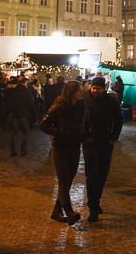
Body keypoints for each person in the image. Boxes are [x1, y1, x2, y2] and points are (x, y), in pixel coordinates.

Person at [41, 79, 89, 225]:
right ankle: (69, 211)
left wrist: (84, 133)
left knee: (68, 180)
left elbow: (85, 122)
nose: (81, 92)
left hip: (74, 146)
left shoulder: (81, 106)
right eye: (79, 90)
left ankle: (56, 211)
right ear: (72, 92)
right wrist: (58, 133)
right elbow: (44, 124)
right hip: (61, 147)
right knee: (63, 179)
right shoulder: (60, 105)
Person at [83, 75, 123, 222]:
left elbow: (118, 120)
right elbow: (80, 120)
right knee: (92, 175)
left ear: (103, 89)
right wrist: (85, 136)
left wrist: (113, 137)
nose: (95, 91)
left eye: (98, 89)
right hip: (89, 143)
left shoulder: (111, 101)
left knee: (102, 174)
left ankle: (96, 200)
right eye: (93, 88)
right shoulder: (84, 100)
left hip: (105, 142)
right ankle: (93, 206)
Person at [4, 76, 35, 157]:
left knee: (15, 133)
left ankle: (13, 151)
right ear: (25, 83)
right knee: (25, 133)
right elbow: (31, 104)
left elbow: (9, 103)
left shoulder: (14, 92)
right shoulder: (27, 92)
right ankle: (23, 150)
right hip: (24, 115)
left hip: (15, 115)